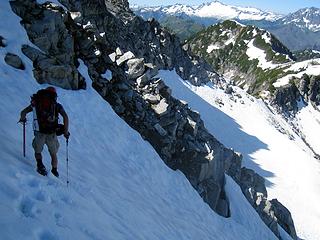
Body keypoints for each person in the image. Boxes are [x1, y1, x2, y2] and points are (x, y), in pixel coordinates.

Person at [19, 86, 70, 177]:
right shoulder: (57, 106)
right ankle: (54, 171)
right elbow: (65, 117)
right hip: (52, 133)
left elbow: (23, 112)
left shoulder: (36, 103)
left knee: (38, 151)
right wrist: (65, 132)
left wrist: (23, 119)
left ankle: (40, 165)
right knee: (53, 153)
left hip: (40, 132)